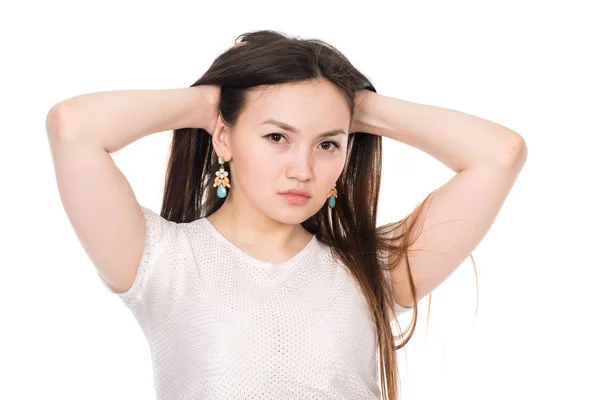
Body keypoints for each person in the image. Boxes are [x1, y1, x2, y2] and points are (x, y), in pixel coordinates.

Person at [45, 30, 527, 400]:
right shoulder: (159, 261)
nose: (302, 169)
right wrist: (214, 99)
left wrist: (353, 105)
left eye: (327, 144)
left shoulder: (373, 271)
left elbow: (500, 154)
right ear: (224, 138)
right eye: (277, 137)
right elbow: (73, 128)